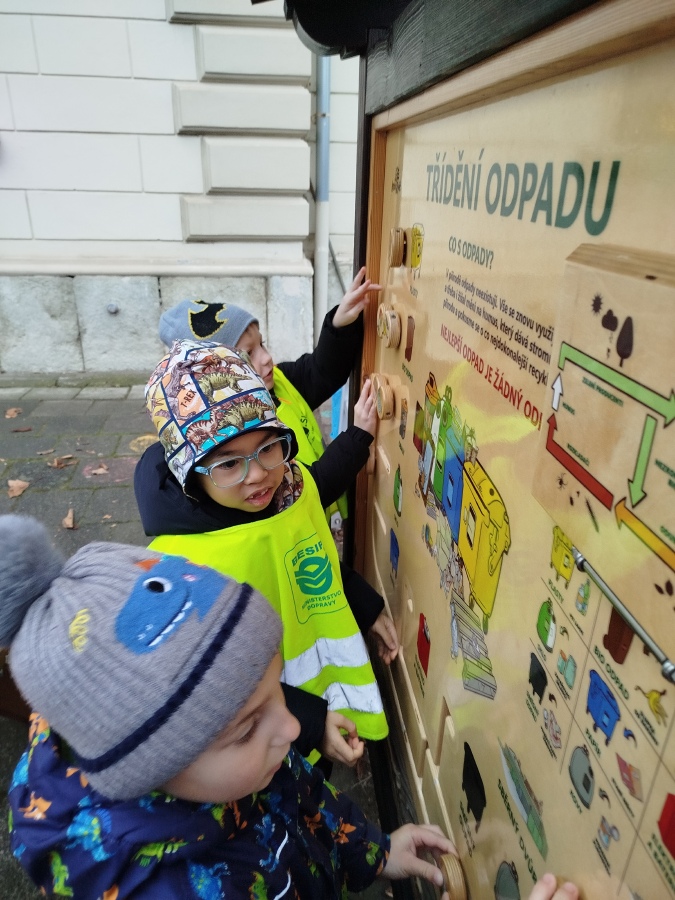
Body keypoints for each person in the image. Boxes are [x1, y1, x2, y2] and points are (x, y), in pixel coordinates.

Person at [1, 514, 457, 900]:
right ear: (146, 773)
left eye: (277, 691)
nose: (291, 728)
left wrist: (373, 852)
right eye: (247, 727)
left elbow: (304, 794)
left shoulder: (246, 754)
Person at [136, 341, 388, 770]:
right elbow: (211, 678)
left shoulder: (289, 490)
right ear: (189, 471)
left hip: (317, 712)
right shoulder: (180, 565)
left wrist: (368, 608)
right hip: (260, 748)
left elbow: (308, 555)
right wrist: (311, 724)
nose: (258, 475)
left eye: (269, 448)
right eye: (228, 464)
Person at [143, 267, 400, 672]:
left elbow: (300, 550)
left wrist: (340, 323)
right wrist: (356, 439)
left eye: (262, 343)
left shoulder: (273, 387)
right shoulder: (207, 547)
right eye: (247, 353)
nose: (265, 359)